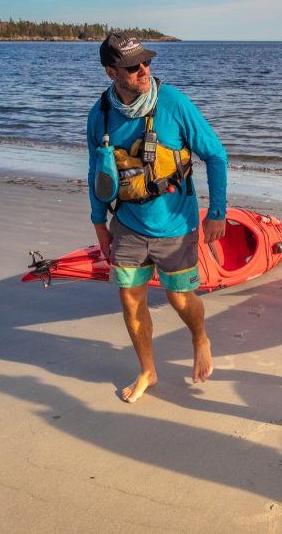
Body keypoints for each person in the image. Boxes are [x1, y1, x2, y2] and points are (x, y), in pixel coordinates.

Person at [87, 32, 228, 403]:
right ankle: (148, 369)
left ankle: (200, 338)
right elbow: (96, 173)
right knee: (131, 304)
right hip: (128, 225)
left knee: (181, 300)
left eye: (146, 62)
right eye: (133, 67)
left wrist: (216, 213)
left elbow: (216, 156)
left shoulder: (174, 103)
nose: (143, 70)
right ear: (110, 72)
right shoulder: (99, 116)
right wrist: (99, 224)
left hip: (176, 226)